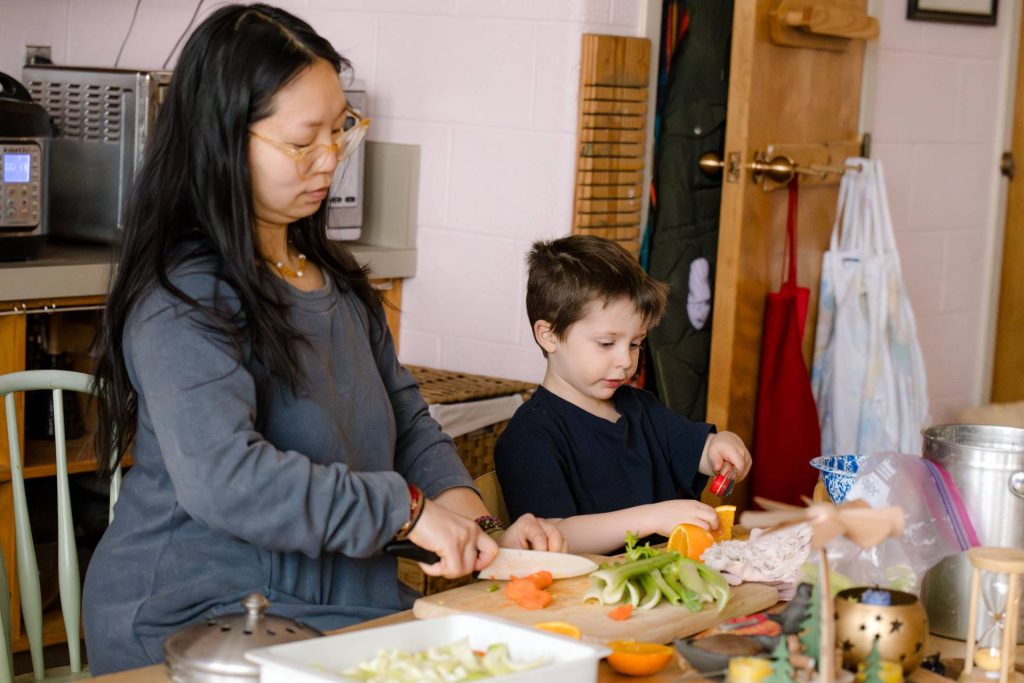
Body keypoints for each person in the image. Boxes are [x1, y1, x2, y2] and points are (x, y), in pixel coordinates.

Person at [83, 4, 563, 672]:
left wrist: (479, 528)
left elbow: (408, 423)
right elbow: (228, 479)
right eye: (303, 140)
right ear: (223, 140)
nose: (331, 157)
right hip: (199, 619)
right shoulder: (184, 296)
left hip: (344, 608)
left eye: (340, 129)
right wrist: (405, 511)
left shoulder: (334, 280)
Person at [494, 234, 752, 555]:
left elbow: (698, 451)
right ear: (549, 335)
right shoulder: (530, 437)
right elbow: (552, 534)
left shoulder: (641, 406)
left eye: (635, 343)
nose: (626, 361)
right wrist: (652, 518)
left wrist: (721, 447)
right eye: (606, 343)